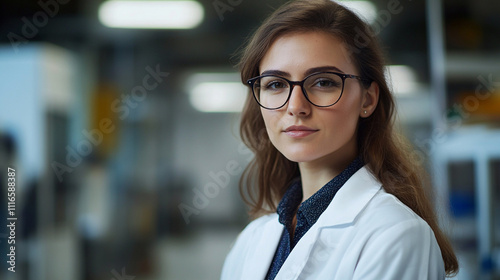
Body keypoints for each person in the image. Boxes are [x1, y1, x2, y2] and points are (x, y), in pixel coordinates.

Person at [221, 0, 459, 279]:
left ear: (367, 99)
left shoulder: (397, 235)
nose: (295, 106)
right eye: (276, 84)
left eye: (323, 82)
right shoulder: (252, 239)